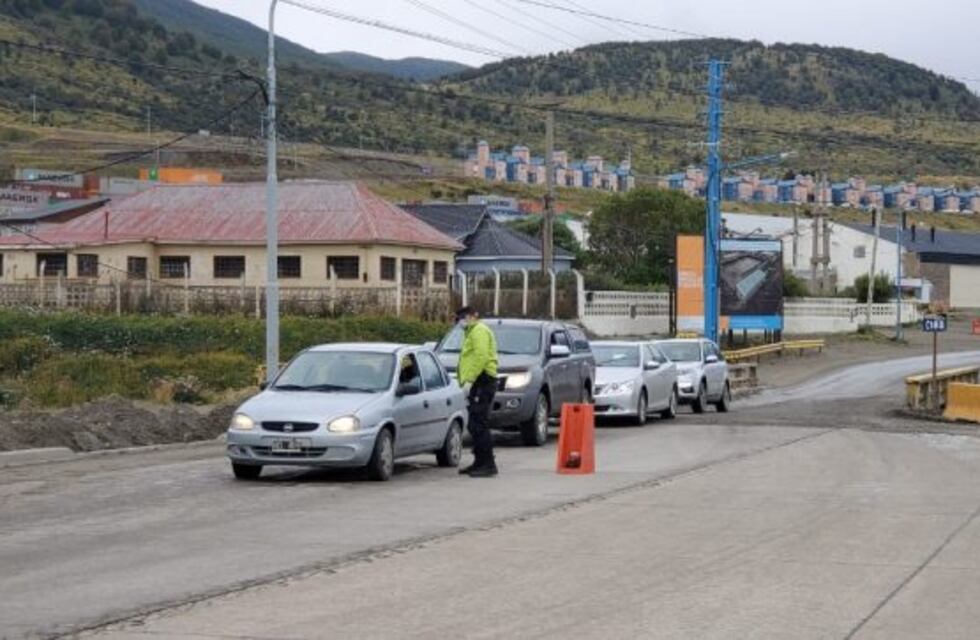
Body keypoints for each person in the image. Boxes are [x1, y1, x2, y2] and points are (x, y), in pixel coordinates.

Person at [455, 306, 499, 478]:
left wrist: (471, 379)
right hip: (478, 382)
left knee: (479, 424)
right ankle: (479, 462)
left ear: (471, 316)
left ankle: (488, 464)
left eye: (462, 317)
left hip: (482, 380)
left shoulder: (478, 331)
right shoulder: (471, 331)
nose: (460, 321)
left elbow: (480, 357)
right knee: (474, 424)